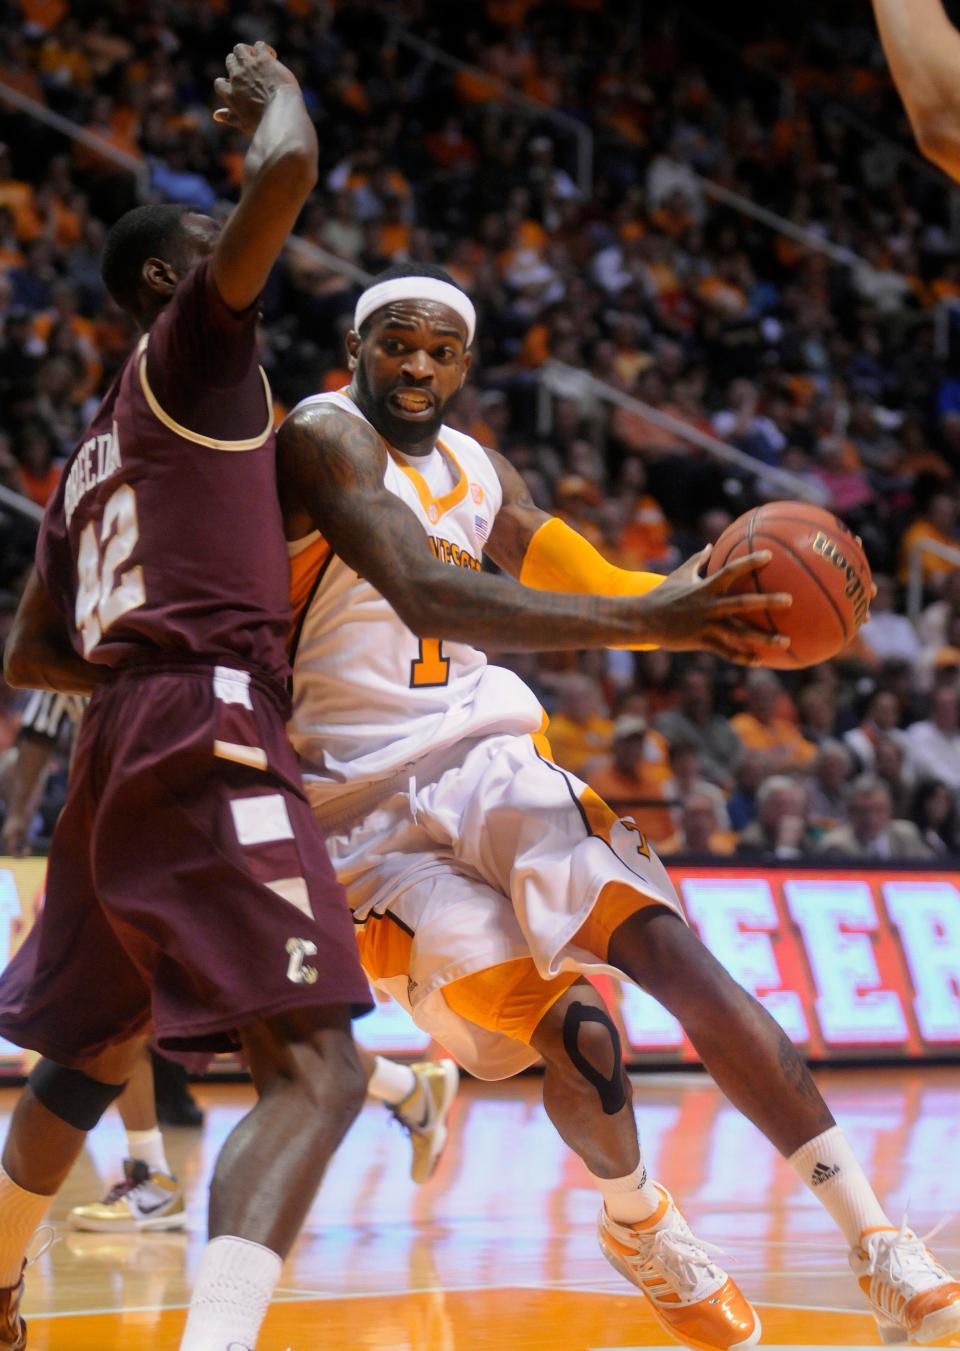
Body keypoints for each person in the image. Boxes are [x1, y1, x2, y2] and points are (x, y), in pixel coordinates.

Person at [276, 263, 960, 1349]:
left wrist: (716, 603)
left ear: (466, 363)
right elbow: (426, 589)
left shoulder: (476, 471)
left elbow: (595, 577)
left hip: (483, 754)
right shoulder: (320, 438)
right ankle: (640, 1217)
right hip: (355, 811)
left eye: (439, 349)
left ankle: (878, 1241)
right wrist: (665, 626)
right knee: (579, 1032)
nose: (415, 365)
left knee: (674, 955)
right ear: (358, 350)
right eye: (395, 343)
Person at [0, 44, 376, 1351]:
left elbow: (32, 653)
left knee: (91, 1046)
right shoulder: (197, 349)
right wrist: (272, 86)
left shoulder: (90, 455)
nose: (245, 253)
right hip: (200, 712)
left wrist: (140, 658)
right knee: (321, 1067)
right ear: (171, 277)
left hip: (115, 730)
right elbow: (291, 162)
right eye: (219, 243)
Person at [817, 775, 933, 861]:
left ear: (890, 811)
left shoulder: (907, 835)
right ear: (850, 813)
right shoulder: (836, 846)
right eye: (863, 811)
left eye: (878, 810)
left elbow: (931, 873)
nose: (871, 818)